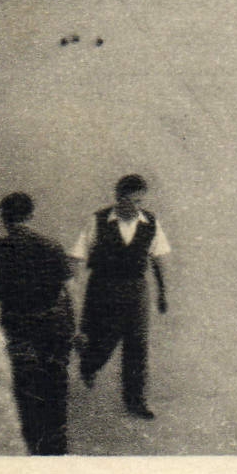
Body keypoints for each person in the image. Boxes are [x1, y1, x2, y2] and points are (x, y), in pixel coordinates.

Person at [71, 174, 171, 420]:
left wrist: (162, 293)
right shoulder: (98, 221)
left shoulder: (150, 222)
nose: (136, 207)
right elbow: (77, 255)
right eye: (131, 201)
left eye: (140, 201)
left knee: (137, 345)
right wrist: (73, 287)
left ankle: (135, 401)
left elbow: (158, 259)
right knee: (104, 339)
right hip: (103, 288)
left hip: (136, 289)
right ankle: (89, 364)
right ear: (118, 199)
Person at [0, 192, 75, 455]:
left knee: (24, 391)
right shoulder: (53, 247)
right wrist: (76, 329)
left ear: (3, 218)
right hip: (51, 328)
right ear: (32, 215)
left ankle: (29, 452)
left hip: (14, 328)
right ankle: (56, 451)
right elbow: (71, 292)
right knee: (55, 391)